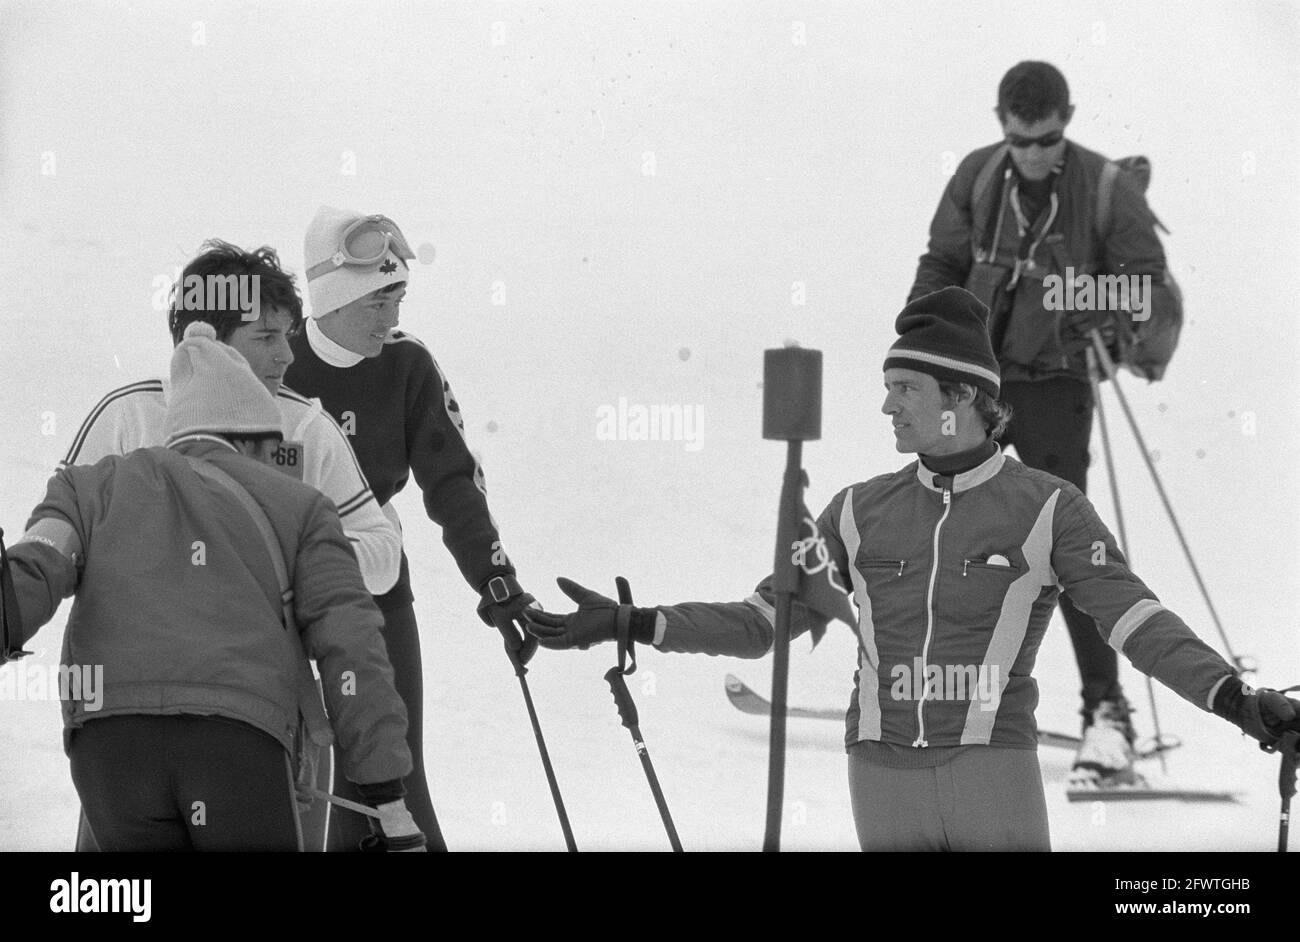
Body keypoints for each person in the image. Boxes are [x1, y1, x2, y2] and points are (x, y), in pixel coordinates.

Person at [525, 287, 1298, 851]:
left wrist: (1234, 698)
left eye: (906, 390)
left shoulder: (1047, 507)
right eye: (888, 388)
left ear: (963, 398)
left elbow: (1135, 621)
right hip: (882, 778)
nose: (889, 407)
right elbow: (766, 622)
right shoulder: (858, 509)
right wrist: (636, 623)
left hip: (991, 770)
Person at [4, 322, 422, 851]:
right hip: (240, 744)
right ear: (254, 437)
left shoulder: (88, 487)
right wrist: (385, 792)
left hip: (110, 749)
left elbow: (37, 565)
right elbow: (352, 647)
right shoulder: (302, 508)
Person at [907, 61, 1184, 785]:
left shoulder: (1106, 187)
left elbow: (1149, 281)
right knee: (961, 537)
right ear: (1001, 120)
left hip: (1058, 385)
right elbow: (943, 259)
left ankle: (1107, 715)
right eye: (1021, 139)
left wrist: (1101, 293)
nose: (1034, 153)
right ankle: (952, 694)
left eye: (1049, 139)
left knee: (1068, 547)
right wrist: (917, 333)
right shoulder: (975, 175)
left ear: (1068, 120)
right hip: (981, 386)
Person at [284, 207, 540, 852]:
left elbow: (452, 482)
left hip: (374, 580)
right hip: (279, 587)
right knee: (294, 768)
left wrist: (496, 580)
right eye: (378, 301)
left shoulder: (408, 367)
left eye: (398, 297)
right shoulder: (274, 362)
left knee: (392, 772)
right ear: (332, 302)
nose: (393, 318)